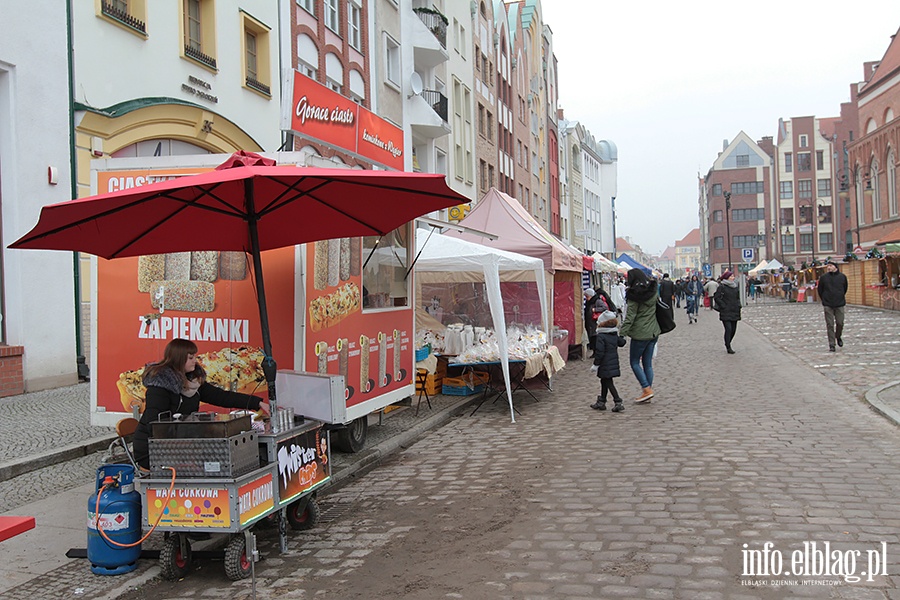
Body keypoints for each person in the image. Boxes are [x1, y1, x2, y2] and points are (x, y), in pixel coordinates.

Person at [133, 338, 270, 469]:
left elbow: (221, 397)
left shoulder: (193, 381)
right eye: (191, 357)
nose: (195, 361)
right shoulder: (159, 387)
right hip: (152, 450)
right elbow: (154, 424)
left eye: (195, 357)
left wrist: (257, 403)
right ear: (179, 359)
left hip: (182, 444)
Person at [619, 268, 660, 403]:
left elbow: (630, 317)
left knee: (635, 362)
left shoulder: (634, 295)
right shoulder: (653, 290)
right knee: (647, 364)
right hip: (653, 331)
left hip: (640, 333)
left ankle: (646, 389)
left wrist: (622, 334)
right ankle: (647, 391)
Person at [589, 309, 627, 412]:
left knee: (608, 382)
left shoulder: (601, 336)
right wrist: (623, 335)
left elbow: (599, 352)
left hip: (605, 363)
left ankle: (618, 401)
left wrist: (596, 364)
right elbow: (622, 342)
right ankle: (602, 401)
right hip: (612, 362)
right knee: (604, 381)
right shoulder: (613, 334)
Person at [817, 262, 848, 352]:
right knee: (830, 325)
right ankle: (832, 344)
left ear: (835, 267)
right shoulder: (824, 278)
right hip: (828, 304)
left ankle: (838, 336)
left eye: (830, 266)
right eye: (828, 266)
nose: (829, 267)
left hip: (839, 303)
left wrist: (840, 296)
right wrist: (824, 299)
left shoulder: (842, 277)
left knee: (840, 322)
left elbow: (845, 288)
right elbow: (820, 290)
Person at [713, 271, 742, 354]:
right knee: (728, 329)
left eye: (733, 276)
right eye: (731, 276)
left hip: (734, 310)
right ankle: (728, 346)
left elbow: (737, 298)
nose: (733, 278)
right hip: (725, 311)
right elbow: (717, 297)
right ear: (727, 277)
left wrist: (738, 305)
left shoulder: (735, 287)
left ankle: (728, 342)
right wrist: (723, 306)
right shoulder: (722, 287)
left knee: (733, 330)